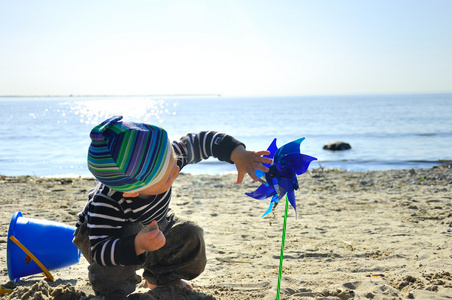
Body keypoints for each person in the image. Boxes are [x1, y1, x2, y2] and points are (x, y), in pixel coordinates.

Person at [73, 115, 271, 299]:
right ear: (134, 191)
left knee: (191, 235)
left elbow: (202, 141)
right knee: (113, 278)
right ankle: (114, 291)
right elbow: (100, 249)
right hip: (105, 238)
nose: (176, 169)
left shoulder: (168, 158)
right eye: (167, 176)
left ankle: (161, 280)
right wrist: (137, 245)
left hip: (154, 223)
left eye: (173, 159)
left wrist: (237, 153)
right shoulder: (107, 202)